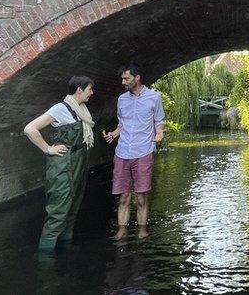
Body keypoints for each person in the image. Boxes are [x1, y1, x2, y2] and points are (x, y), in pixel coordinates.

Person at [23, 76, 97, 252]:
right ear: (80, 89)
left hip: (78, 163)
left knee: (72, 209)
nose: (91, 93)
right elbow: (30, 129)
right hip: (63, 166)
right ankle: (45, 259)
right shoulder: (60, 108)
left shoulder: (81, 109)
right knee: (58, 211)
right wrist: (48, 149)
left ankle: (65, 248)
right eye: (89, 89)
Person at [103, 65, 165, 241]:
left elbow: (159, 121)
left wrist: (159, 133)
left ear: (137, 78)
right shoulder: (122, 99)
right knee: (123, 197)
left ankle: (142, 229)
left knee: (141, 197)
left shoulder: (154, 98)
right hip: (122, 152)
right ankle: (122, 230)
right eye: (123, 79)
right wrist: (113, 134)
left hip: (143, 152)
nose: (123, 82)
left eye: (126, 79)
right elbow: (121, 124)